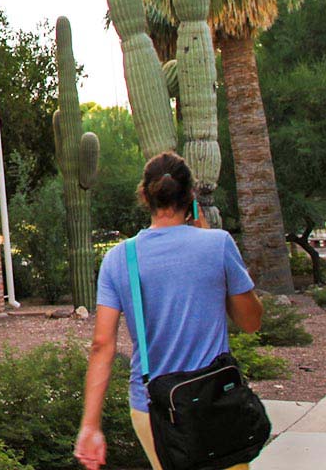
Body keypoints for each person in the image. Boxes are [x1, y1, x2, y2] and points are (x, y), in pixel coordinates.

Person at [74, 152, 264, 470]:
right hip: (215, 401)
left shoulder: (119, 259)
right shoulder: (218, 245)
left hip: (153, 408)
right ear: (191, 197)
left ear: (145, 196)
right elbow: (251, 322)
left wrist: (90, 426)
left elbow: (101, 346)